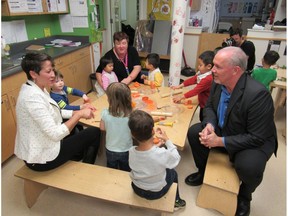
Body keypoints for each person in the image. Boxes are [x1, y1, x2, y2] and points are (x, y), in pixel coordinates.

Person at [185, 47, 277, 216]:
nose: (212, 70)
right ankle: (203, 172)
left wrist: (219, 141)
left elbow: (257, 137)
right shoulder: (217, 83)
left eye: (218, 66)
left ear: (236, 70)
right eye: (213, 65)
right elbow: (210, 107)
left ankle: (244, 196)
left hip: (251, 139)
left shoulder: (258, 94)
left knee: (250, 167)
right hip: (225, 128)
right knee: (194, 132)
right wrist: (210, 125)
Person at [14, 52, 101, 171]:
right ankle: (85, 169)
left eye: (53, 70)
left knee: (77, 129)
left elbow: (54, 113)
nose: (53, 75)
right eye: (48, 71)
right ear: (33, 74)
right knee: (94, 132)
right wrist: (79, 114)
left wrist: (75, 113)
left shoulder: (37, 88)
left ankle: (77, 156)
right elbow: (55, 134)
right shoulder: (31, 98)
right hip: (41, 158)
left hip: (43, 146)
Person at [128, 110, 186, 210]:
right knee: (173, 173)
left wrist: (154, 147)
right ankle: (176, 201)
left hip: (136, 187)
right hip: (156, 193)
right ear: (153, 131)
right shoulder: (161, 153)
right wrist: (167, 141)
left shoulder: (131, 151)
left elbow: (145, 158)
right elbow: (176, 159)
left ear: (133, 135)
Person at [171, 50, 214, 121]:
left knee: (204, 119)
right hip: (202, 101)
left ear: (209, 66)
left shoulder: (208, 79)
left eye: (200, 65)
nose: (198, 67)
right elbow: (193, 79)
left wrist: (181, 97)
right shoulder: (202, 73)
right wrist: (180, 86)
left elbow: (195, 91)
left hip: (206, 104)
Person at [100, 82, 133, 171]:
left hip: (111, 148)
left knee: (111, 169)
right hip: (126, 149)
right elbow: (134, 133)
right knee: (125, 169)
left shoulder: (105, 113)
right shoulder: (131, 115)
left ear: (110, 100)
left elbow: (102, 128)